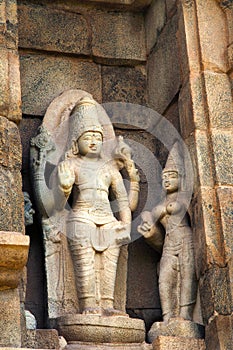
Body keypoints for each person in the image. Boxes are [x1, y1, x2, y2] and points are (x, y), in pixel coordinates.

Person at [56, 97, 139, 316]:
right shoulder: (71, 164)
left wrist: (126, 225)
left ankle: (108, 305)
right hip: (81, 217)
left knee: (109, 266)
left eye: (97, 137)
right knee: (86, 265)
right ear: (76, 140)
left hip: (108, 220)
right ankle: (88, 304)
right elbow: (56, 207)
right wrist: (64, 188)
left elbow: (123, 201)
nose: (93, 141)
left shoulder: (110, 168)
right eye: (88, 136)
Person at [138, 143, 197, 323]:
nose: (167, 180)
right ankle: (168, 317)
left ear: (181, 179)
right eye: (164, 177)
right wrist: (148, 229)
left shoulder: (185, 197)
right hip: (168, 245)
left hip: (186, 240)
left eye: (172, 176)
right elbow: (155, 234)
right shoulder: (161, 203)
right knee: (164, 280)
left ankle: (185, 316)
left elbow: (197, 217)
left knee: (188, 278)